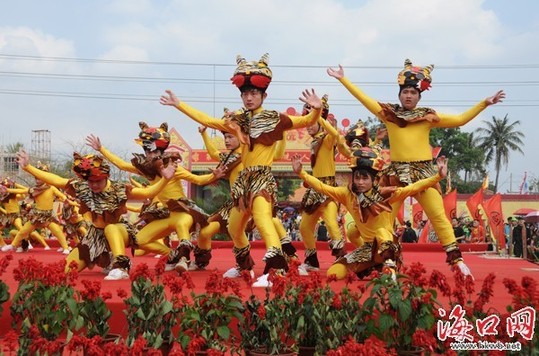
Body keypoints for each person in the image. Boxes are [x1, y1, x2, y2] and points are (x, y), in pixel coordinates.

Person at [327, 59, 505, 276]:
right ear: (399, 94)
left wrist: (484, 103)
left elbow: (459, 120)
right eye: (405, 92)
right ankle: (383, 260)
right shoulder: (390, 114)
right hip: (395, 176)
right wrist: (343, 79)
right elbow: (366, 101)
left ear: (419, 96)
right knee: (383, 221)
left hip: (424, 174)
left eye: (413, 92)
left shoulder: (427, 117)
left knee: (439, 216)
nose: (408, 96)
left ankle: (457, 261)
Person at [160, 53, 323, 287]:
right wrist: (179, 105)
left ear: (264, 95)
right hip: (243, 183)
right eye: (245, 93)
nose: (249, 98)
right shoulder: (237, 119)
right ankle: (243, 265)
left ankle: (276, 271)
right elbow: (209, 120)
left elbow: (305, 122)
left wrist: (316, 111)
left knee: (263, 218)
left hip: (261, 179)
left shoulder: (274, 118)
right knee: (235, 227)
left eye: (254, 93)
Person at [291, 147, 449, 280]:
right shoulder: (346, 194)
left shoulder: (385, 194)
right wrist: (301, 173)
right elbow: (322, 187)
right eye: (357, 178)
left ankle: (390, 269)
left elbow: (413, 188)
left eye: (365, 178)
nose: (360, 182)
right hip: (367, 249)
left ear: (374, 180)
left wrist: (438, 176)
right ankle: (375, 266)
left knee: (381, 232)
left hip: (387, 245)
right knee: (334, 273)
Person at [86, 122, 224, 273]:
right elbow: (122, 165)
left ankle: (185, 259)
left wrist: (213, 176)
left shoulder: (173, 167)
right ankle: (172, 255)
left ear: (161, 151)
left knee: (182, 224)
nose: (150, 154)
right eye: (147, 151)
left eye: (153, 151)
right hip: (163, 214)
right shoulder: (147, 170)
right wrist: (101, 149)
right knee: (139, 240)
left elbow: (197, 180)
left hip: (181, 211)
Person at [15, 150, 173, 280]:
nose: (94, 185)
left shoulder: (118, 189)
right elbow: (56, 180)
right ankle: (108, 260)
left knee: (111, 228)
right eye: (90, 181)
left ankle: (122, 265)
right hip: (95, 237)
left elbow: (148, 192)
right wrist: (28, 167)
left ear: (106, 177)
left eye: (98, 181)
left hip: (119, 232)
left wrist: (165, 179)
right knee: (65, 270)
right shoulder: (82, 187)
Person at [295, 95, 346, 275]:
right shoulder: (315, 140)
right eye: (307, 122)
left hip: (328, 190)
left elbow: (335, 134)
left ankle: (342, 260)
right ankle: (311, 261)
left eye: (311, 122)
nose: (308, 125)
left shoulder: (326, 139)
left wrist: (320, 118)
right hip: (315, 190)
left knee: (331, 223)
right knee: (304, 227)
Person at [1, 163, 70, 254]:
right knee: (23, 231)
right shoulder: (34, 190)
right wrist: (8, 190)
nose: (37, 180)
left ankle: (65, 248)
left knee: (57, 231)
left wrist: (65, 200)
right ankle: (13, 245)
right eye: (35, 178)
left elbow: (61, 195)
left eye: (39, 178)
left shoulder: (51, 188)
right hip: (36, 215)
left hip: (47, 215)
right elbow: (23, 190)